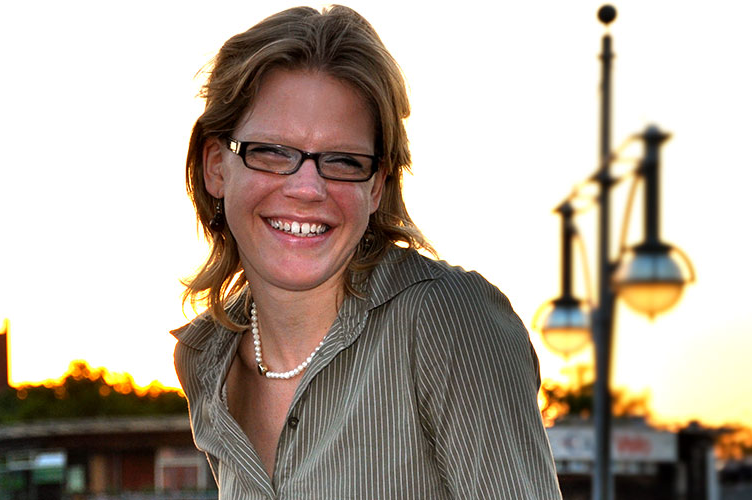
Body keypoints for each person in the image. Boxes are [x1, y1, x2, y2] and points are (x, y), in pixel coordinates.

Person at [172, 5, 562, 498]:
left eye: (343, 161)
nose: (308, 188)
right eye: (272, 152)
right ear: (215, 166)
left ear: (376, 186)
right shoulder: (204, 358)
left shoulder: (448, 321)